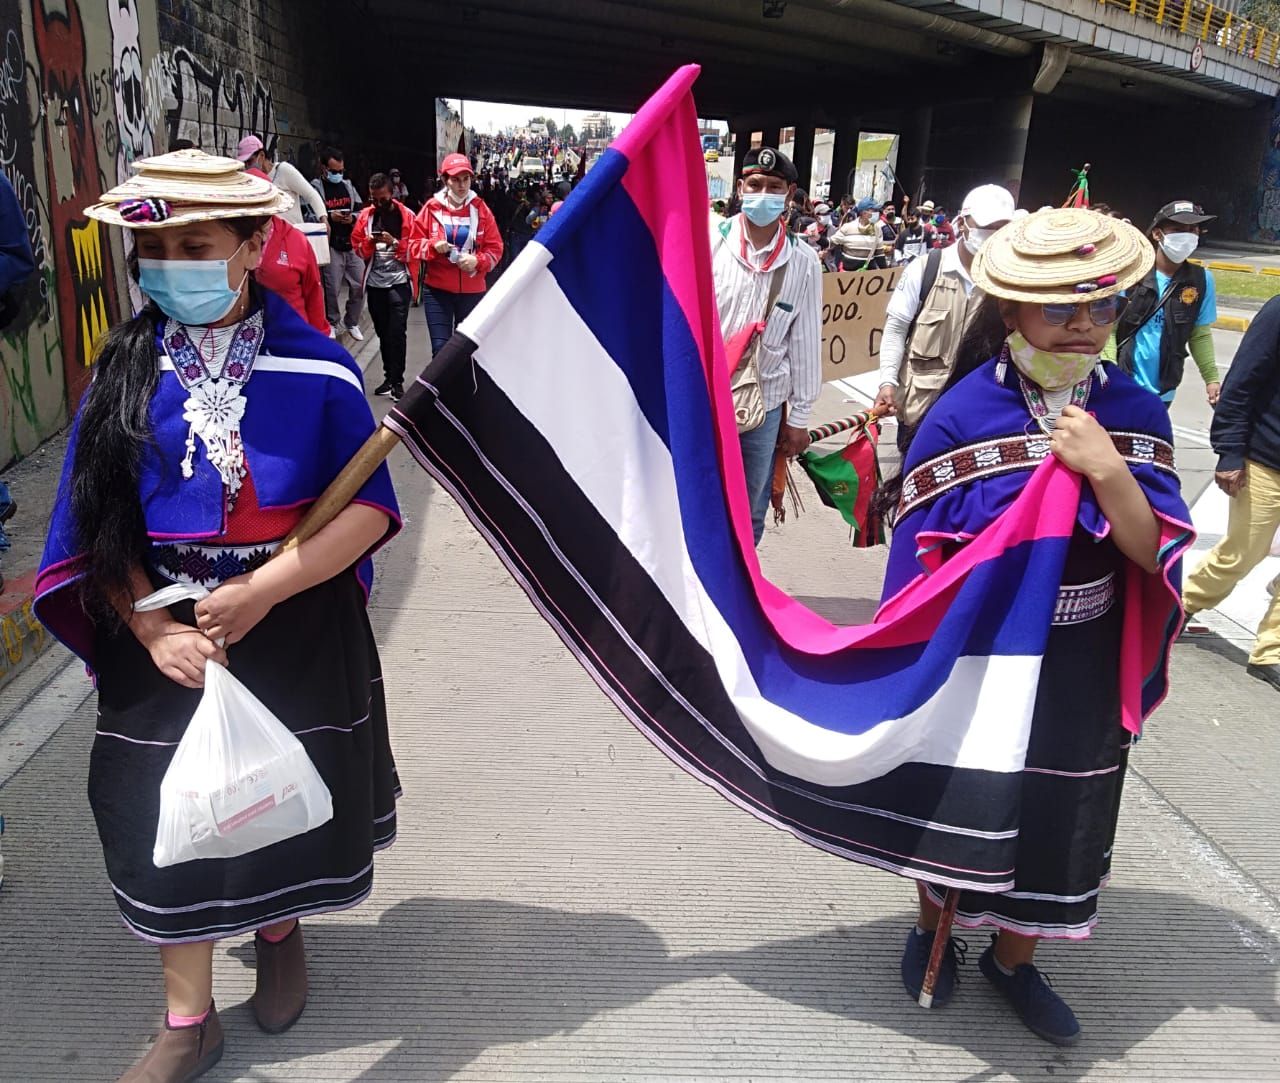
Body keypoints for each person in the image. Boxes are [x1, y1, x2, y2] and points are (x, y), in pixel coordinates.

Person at [32, 149, 401, 1083]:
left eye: (194, 244)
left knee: (270, 792)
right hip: (158, 636)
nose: (168, 266)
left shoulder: (317, 367)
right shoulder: (121, 372)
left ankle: (279, 932)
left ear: (251, 245)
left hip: (292, 624)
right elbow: (94, 521)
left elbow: (365, 510)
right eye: (153, 249)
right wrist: (154, 629)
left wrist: (263, 588)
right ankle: (188, 1021)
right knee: (166, 814)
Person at [880, 208, 1190, 1045]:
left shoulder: (1131, 409)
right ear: (1013, 311)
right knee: (957, 788)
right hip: (977, 649)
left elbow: (1151, 548)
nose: (1085, 325)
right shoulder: (961, 414)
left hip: (1081, 655)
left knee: (1061, 807)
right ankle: (928, 927)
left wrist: (1107, 470)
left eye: (1102, 307)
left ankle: (1014, 959)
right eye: (1062, 308)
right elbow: (919, 558)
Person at [710, 146, 822, 545]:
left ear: (789, 195)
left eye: (774, 187)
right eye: (755, 184)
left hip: (765, 406)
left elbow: (806, 341)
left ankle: (739, 595)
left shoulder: (804, 260)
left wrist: (800, 417)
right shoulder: (710, 244)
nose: (763, 193)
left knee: (750, 510)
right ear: (740, 188)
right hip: (707, 397)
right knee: (697, 498)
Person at [1182, 296, 1280, 690]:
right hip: (1265, 458)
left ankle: (1271, 651)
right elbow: (1242, 383)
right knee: (1245, 551)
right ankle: (1184, 603)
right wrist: (1230, 451)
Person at [874, 184, 1015, 441]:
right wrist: (887, 381)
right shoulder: (926, 269)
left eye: (1002, 229)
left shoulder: (1010, 282)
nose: (994, 236)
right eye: (987, 228)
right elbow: (896, 330)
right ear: (962, 223)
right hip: (923, 408)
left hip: (982, 414)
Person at [1114, 200, 1219, 407]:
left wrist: (1211, 379)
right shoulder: (1132, 273)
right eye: (1178, 229)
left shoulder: (1202, 280)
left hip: (1164, 391)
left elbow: (1200, 334)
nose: (1187, 236)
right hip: (1123, 385)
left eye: (1192, 230)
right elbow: (1109, 328)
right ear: (1157, 234)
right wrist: (1109, 372)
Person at [416, 153, 504, 357]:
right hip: (437, 290)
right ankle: (441, 390)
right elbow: (411, 244)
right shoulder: (431, 208)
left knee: (466, 353)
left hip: (473, 291)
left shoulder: (481, 208)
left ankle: (462, 390)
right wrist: (432, 246)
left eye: (466, 179)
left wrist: (478, 261)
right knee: (441, 351)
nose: (462, 185)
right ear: (445, 180)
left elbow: (496, 248)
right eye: (456, 179)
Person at [352, 171, 423, 401]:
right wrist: (370, 242)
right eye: (373, 199)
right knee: (383, 333)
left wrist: (395, 243)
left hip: (400, 281)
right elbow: (358, 249)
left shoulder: (409, 217)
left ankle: (398, 382)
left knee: (396, 332)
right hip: (375, 283)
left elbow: (417, 249)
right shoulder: (366, 216)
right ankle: (389, 377)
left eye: (382, 199)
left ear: (393, 195)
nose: (378, 203)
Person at [311, 147, 366, 340]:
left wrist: (351, 218)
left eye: (341, 171)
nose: (338, 175)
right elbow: (306, 215)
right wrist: (326, 217)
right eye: (334, 172)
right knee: (331, 288)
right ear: (324, 168)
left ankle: (352, 322)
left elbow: (362, 212)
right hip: (331, 246)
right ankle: (332, 322)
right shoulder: (314, 190)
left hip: (351, 244)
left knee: (360, 284)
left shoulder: (349, 187)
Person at [236, 136, 327, 226]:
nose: (247, 166)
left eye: (250, 161)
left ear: (262, 155)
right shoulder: (252, 180)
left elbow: (311, 194)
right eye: (245, 163)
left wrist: (323, 219)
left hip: (293, 235)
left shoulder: (283, 170)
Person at [831, 198, 888, 270]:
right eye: (874, 210)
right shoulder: (847, 227)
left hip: (868, 275)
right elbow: (832, 242)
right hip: (847, 275)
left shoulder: (877, 229)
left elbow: (879, 254)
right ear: (864, 212)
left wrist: (886, 272)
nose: (877, 213)